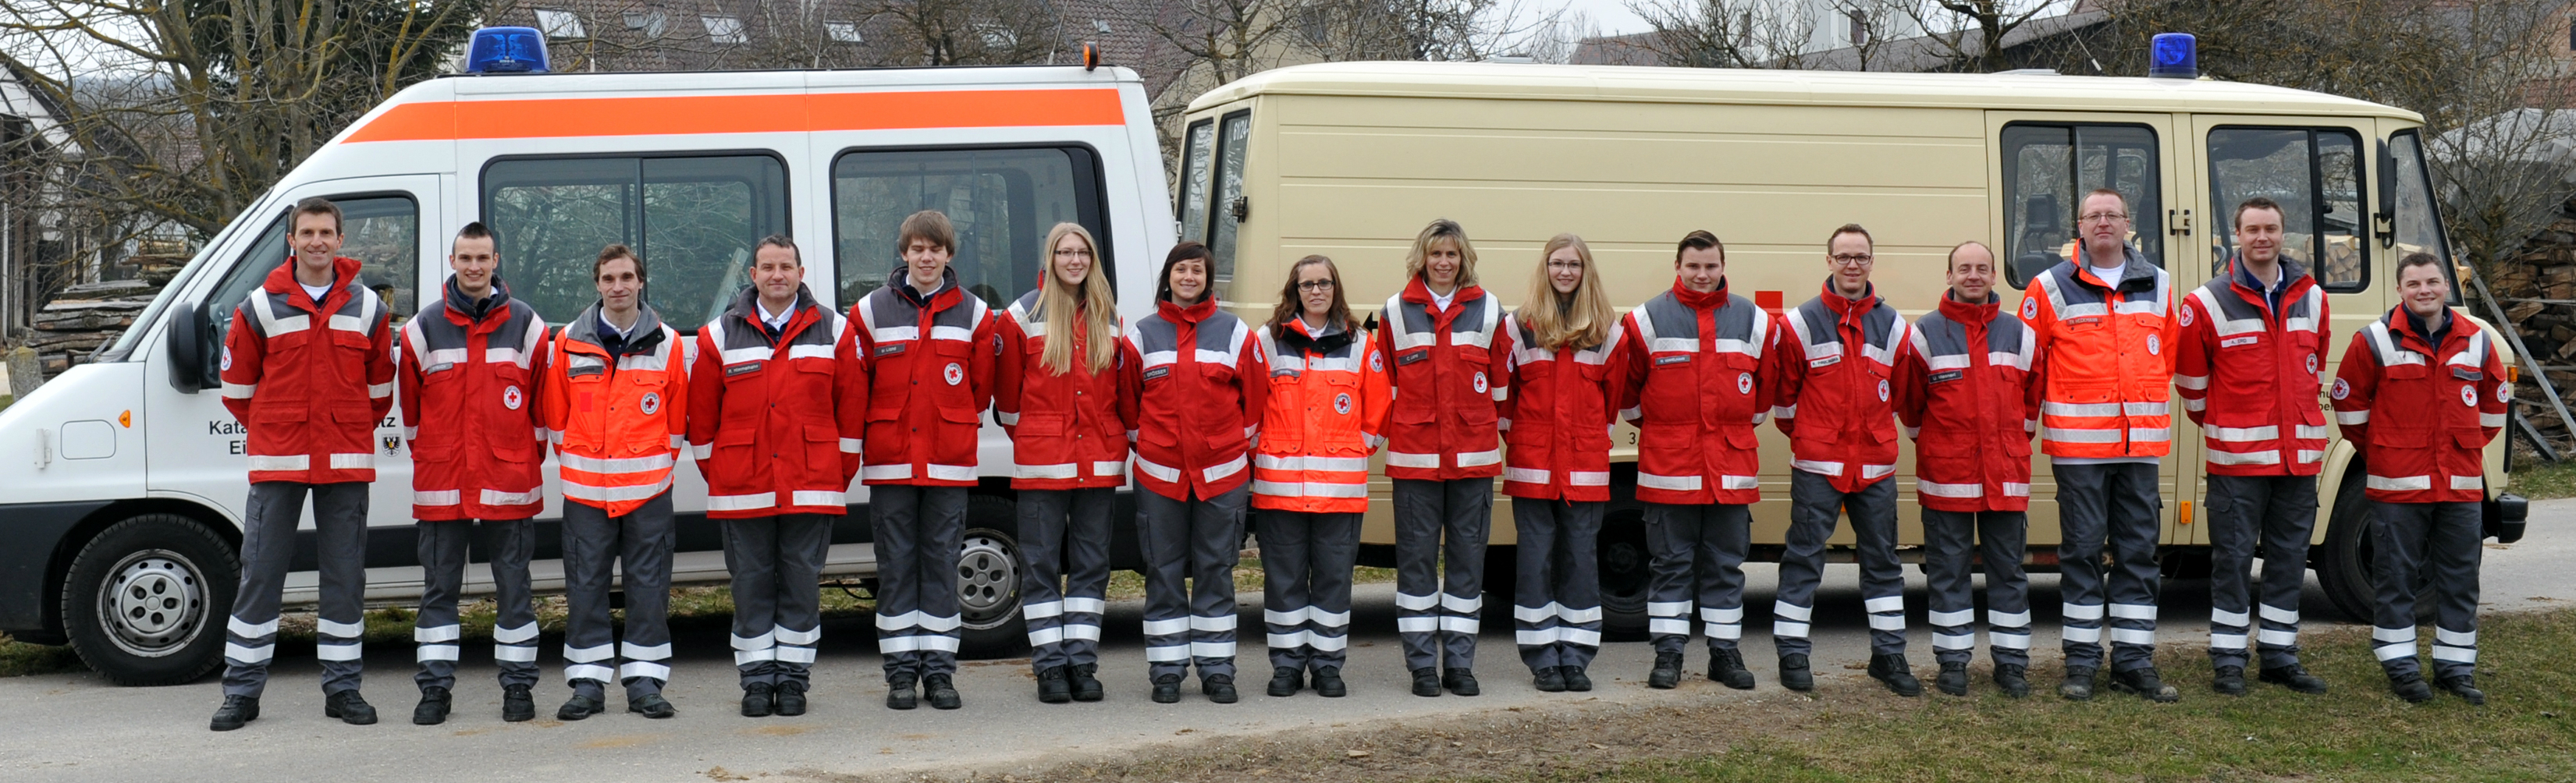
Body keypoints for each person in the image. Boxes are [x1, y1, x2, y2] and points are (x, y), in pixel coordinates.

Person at [210, 197, 396, 731]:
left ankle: (343, 691)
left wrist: (341, 426)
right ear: (291, 240)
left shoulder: (368, 308)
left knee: (344, 579)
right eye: (307, 232)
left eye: (326, 232)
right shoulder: (260, 306)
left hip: (344, 462)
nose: (317, 241)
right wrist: (279, 426)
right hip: (278, 461)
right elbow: (237, 390)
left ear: (341, 241)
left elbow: (380, 392)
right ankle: (241, 694)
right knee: (260, 577)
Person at [690, 235, 864, 717]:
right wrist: (726, 473)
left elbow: (851, 418)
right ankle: (755, 680)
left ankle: (792, 681)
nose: (776, 275)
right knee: (750, 585)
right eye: (767, 267)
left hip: (813, 485)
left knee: (802, 583)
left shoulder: (836, 331)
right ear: (754, 275)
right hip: (742, 489)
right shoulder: (718, 336)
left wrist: (834, 473)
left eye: (785, 266)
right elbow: (702, 427)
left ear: (801, 273)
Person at [2019, 188, 2180, 703]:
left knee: (2138, 555)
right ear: (2080, 227)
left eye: (2112, 215)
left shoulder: (2159, 283)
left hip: (2138, 451)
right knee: (2083, 555)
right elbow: (2028, 366)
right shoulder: (2047, 287)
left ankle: (2133, 665)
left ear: (2127, 224)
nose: (2104, 223)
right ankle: (2082, 665)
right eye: (2094, 216)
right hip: (2079, 452)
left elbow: (2166, 359)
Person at [2331, 252, 2505, 706]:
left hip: (2459, 484)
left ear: (2446, 285)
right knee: (2395, 576)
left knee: (2461, 577)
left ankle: (2456, 667)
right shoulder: (2374, 340)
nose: (2424, 290)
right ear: (2400, 290)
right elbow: (2350, 411)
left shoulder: (2477, 340)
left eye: (2432, 282)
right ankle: (2401, 666)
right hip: (2397, 485)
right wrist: (2386, 452)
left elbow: (2493, 407)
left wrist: (2463, 446)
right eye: (2414, 284)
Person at [2174, 197, 2332, 697]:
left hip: (2299, 460)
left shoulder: (2314, 298)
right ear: (2236, 237)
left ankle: (2280, 657)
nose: (2262, 238)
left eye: (2271, 229)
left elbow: (2315, 369)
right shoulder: (2206, 302)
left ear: (2283, 234)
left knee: (2289, 559)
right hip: (2237, 463)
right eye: (2252, 230)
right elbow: (2191, 385)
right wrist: (2226, 424)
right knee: (2233, 561)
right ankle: (2228, 659)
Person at [396, 221, 548, 725]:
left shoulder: (528, 325)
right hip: (444, 482)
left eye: (483, 258)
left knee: (515, 586)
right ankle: (435, 690)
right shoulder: (421, 328)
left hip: (509, 481)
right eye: (466, 258)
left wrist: (518, 457)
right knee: (439, 588)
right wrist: (441, 455)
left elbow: (541, 413)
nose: (475, 267)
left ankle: (518, 689)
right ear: (453, 261)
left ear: (496, 260)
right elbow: (412, 416)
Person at [851, 211, 997, 711]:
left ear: (949, 255)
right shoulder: (869, 312)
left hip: (948, 463)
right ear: (904, 254)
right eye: (917, 249)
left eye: (935, 250)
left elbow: (979, 392)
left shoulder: (976, 314)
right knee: (895, 568)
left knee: (939, 566)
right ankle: (899, 675)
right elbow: (858, 385)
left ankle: (939, 675)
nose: (926, 257)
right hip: (892, 463)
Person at [1615, 229, 1775, 692]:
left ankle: (1725, 654)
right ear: (1678, 268)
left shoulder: (1753, 320)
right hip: (1670, 466)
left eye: (1710, 266)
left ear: (1723, 267)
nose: (1702, 275)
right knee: (1670, 564)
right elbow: (1630, 398)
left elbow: (1763, 396)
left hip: (1730, 465)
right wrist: (1670, 432)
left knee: (1726, 564)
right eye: (1693, 266)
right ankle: (1668, 655)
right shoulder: (1645, 320)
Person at [542, 244, 688, 721]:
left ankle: (645, 682)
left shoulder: (668, 343)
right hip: (585, 494)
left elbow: (675, 424)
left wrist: (647, 470)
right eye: (609, 278)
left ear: (641, 282)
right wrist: (589, 467)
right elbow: (556, 419)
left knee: (649, 588)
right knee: (585, 586)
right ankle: (587, 684)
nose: (618, 286)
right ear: (597, 284)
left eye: (627, 277)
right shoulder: (568, 342)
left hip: (648, 493)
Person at [1770, 223, 1917, 696]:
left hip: (1875, 468)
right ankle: (1793, 654)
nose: (1852, 265)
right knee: (1803, 561)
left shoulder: (1894, 325)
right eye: (1844, 256)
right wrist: (1815, 437)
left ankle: (1889, 655)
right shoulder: (1798, 322)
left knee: (1883, 563)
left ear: (1872, 262)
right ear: (1828, 261)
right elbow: (1784, 402)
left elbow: (1899, 394)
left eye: (1861, 257)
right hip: (1818, 466)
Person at [993, 223, 1136, 704]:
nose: (1074, 261)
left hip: (1097, 459)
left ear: (1092, 261)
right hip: (1041, 462)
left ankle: (1082, 660)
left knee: (1092, 565)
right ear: (1050, 257)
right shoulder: (1021, 315)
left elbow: (1120, 392)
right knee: (1039, 564)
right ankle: (1049, 666)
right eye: (1065, 252)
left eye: (1082, 253)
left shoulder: (1109, 316)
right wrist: (1039, 436)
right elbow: (1008, 401)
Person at [1893, 241, 2041, 698]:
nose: (1973, 275)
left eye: (1982, 268)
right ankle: (1953, 662)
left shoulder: (2021, 333)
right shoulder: (1925, 334)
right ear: (1949, 275)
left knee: (2009, 573)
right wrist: (1940, 444)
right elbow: (1910, 406)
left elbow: (2031, 404)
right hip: (1947, 476)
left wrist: (2010, 444)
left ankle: (2012, 664)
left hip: (2006, 475)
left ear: (1995, 276)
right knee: (1948, 573)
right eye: (1964, 268)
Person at [1376, 219, 1512, 698]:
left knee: (1466, 565)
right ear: (1422, 258)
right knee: (1415, 565)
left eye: (1452, 254)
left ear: (1464, 259)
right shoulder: (1394, 311)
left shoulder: (1490, 309)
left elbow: (1501, 389)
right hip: (1415, 461)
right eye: (1436, 254)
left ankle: (1459, 663)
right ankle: (1421, 667)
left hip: (1473, 459)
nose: (1444, 262)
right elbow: (1384, 388)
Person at [1125, 241, 1267, 704]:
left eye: (1198, 271)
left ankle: (1217, 670)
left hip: (1221, 477)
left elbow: (1255, 404)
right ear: (1169, 276)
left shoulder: (1235, 333)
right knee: (1162, 572)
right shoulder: (1142, 335)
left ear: (1208, 279)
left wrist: (1230, 450)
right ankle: (1166, 670)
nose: (1190, 277)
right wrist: (1150, 446)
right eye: (1182, 270)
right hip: (1160, 476)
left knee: (1215, 571)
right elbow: (1128, 406)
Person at [1249, 254, 1388, 699]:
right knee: (1284, 580)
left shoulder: (1361, 343)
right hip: (1280, 490)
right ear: (1295, 290)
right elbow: (1249, 406)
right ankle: (1287, 666)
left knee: (1333, 579)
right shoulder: (1267, 342)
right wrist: (1262, 450)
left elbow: (1379, 409)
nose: (1316, 291)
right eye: (1307, 284)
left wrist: (1352, 450)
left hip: (1339, 493)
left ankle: (1328, 666)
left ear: (1335, 289)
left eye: (1324, 283)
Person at [1498, 234, 1620, 693]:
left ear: (1586, 270)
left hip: (1585, 467)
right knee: (1534, 563)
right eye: (1556, 263)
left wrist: (1586, 442)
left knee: (1580, 562)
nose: (1565, 272)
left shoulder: (1608, 329)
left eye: (1573, 264)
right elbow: (1505, 399)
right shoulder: (1520, 326)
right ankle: (1541, 658)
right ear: (1544, 269)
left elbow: (1613, 400)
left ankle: (1577, 656)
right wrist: (1526, 441)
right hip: (1532, 466)